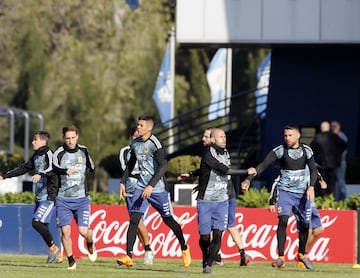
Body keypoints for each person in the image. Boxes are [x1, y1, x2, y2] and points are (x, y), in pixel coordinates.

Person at [116, 115, 191, 268]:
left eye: (141, 125)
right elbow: (130, 164)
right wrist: (122, 182)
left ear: (149, 128)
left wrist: (151, 186)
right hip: (140, 187)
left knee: (168, 220)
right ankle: (128, 256)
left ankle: (184, 247)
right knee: (134, 219)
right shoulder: (135, 144)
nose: (138, 127)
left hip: (158, 189)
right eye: (137, 125)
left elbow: (164, 166)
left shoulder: (155, 143)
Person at [241, 124, 318, 270]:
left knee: (304, 225)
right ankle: (281, 257)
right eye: (285, 136)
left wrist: (311, 186)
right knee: (283, 220)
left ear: (298, 136)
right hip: (285, 192)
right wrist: (248, 180)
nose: (287, 138)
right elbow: (262, 166)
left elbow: (313, 171)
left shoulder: (307, 150)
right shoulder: (280, 150)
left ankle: (301, 254)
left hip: (302, 194)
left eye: (290, 135)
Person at [177, 127, 250, 268]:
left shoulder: (225, 153)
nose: (203, 139)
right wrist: (196, 177)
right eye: (221, 136)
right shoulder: (208, 153)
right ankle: (214, 256)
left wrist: (197, 177)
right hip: (207, 199)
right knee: (206, 236)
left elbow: (219, 170)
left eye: (205, 136)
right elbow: (211, 169)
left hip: (225, 197)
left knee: (222, 230)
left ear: (211, 138)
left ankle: (212, 262)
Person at [0, 131, 61, 264]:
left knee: (36, 222)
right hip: (39, 197)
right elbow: (23, 168)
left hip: (48, 197)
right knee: (43, 225)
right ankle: (53, 255)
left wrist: (41, 174)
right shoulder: (36, 156)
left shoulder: (49, 154)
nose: (33, 142)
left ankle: (55, 249)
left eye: (35, 140)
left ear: (43, 141)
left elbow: (53, 169)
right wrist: (5, 176)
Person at [53, 125, 97, 270]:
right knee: (65, 231)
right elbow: (53, 168)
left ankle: (90, 243)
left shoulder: (83, 150)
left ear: (77, 136)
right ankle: (71, 260)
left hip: (81, 199)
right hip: (63, 199)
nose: (70, 141)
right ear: (63, 138)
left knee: (83, 232)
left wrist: (90, 170)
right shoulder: (59, 153)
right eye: (67, 138)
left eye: (73, 138)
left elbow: (92, 167)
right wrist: (65, 171)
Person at [268, 169, 327, 268]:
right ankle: (298, 255)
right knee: (306, 229)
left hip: (308, 200)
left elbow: (314, 171)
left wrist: (321, 180)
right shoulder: (291, 165)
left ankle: (302, 254)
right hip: (294, 197)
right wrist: (272, 201)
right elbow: (278, 181)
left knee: (318, 230)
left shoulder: (308, 162)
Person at [119, 127, 153, 265]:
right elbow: (126, 168)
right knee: (136, 222)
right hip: (130, 187)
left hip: (144, 187)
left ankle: (146, 249)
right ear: (130, 138)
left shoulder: (149, 148)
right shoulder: (125, 151)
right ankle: (147, 249)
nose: (137, 139)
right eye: (134, 137)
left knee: (137, 220)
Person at [310, 121, 347, 197]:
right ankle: (331, 199)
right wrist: (337, 155)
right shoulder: (335, 136)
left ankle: (323, 199)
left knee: (322, 183)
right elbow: (344, 145)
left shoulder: (318, 137)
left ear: (321, 128)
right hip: (333, 165)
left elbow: (311, 150)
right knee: (332, 184)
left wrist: (317, 157)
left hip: (322, 165)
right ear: (329, 128)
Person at [331, 120, 348, 201]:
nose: (333, 128)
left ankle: (343, 199)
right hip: (334, 163)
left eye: (335, 127)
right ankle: (336, 199)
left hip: (340, 163)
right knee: (335, 182)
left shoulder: (341, 136)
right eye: (332, 127)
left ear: (338, 127)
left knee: (340, 181)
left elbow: (343, 152)